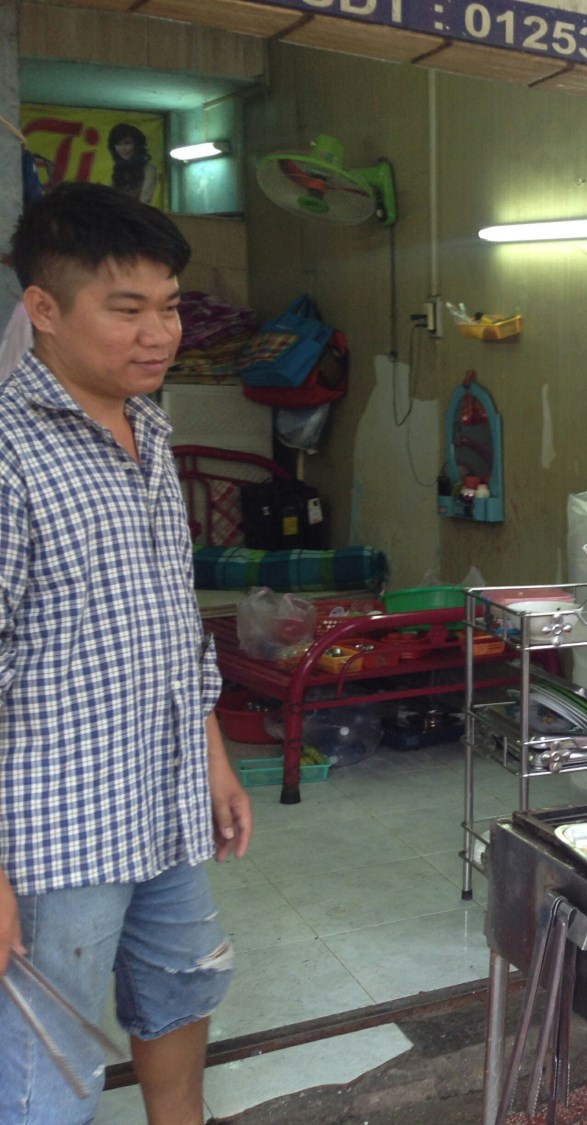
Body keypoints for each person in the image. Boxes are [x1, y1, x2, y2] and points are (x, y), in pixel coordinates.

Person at [0, 182, 252, 1123]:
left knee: (182, 992)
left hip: (164, 798)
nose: (160, 334)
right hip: (53, 835)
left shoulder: (146, 425)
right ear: (44, 308)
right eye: (127, 309)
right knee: (47, 1067)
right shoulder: (9, 456)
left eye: (170, 306)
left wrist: (214, 759)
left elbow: (172, 623)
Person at [107, 122, 159, 205]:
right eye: (118, 144)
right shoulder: (119, 168)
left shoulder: (148, 169)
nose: (123, 148)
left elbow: (145, 200)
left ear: (137, 144)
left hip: (137, 212)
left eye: (127, 143)